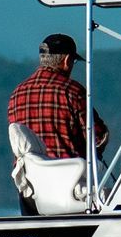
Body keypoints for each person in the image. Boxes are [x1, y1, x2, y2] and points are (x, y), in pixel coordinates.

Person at [6, 32, 109, 214]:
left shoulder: (17, 93)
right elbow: (99, 137)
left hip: (31, 189)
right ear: (67, 60)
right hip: (69, 189)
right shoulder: (72, 91)